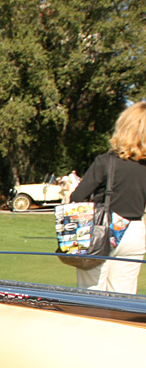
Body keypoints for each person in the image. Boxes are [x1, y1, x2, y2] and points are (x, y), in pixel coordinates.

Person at [70, 102, 146, 294]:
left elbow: (78, 196)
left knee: (91, 292)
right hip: (135, 232)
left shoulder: (106, 162)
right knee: (124, 297)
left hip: (102, 229)